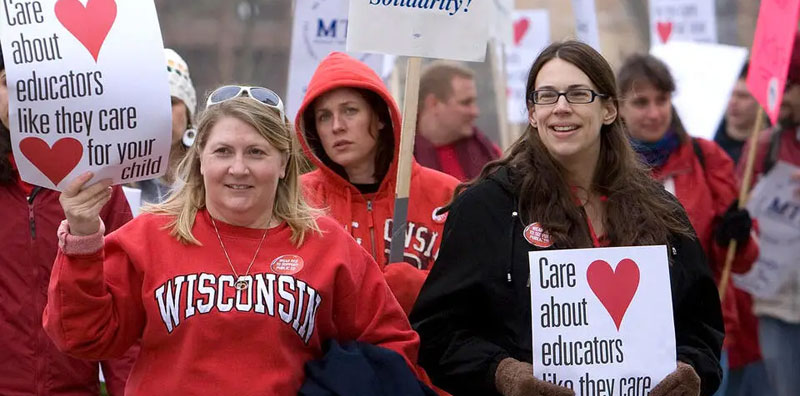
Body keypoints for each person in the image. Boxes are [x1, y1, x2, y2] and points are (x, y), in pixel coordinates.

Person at [43, 90, 432, 394]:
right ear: (200, 160)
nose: (239, 168)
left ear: (283, 164)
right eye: (223, 151)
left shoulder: (328, 246)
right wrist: (82, 236)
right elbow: (82, 336)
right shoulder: (148, 237)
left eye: (257, 152)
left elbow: (392, 347)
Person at [410, 41, 725, 396]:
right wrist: (503, 374)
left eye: (577, 94)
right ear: (532, 113)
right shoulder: (488, 207)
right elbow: (437, 333)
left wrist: (691, 370)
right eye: (546, 96)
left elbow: (701, 328)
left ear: (608, 109)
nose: (560, 107)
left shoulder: (661, 211)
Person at [617, 54, 760, 396]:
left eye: (662, 100)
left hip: (698, 330)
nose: (654, 112)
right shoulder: (603, 170)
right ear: (618, 107)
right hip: (629, 331)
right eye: (641, 102)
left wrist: (736, 236)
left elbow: (740, 260)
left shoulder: (706, 157)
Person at [0, 48, 136, 394]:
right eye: (7, 82)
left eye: (36, 84)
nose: (22, 96)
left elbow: (123, 310)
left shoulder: (97, 187)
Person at [295, 52, 459, 313]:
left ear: (381, 117)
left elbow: (475, 287)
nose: (337, 126)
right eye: (324, 116)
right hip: (331, 350)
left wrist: (415, 286)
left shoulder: (447, 193)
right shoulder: (296, 199)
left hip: (431, 349)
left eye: (350, 110)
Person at [736, 33, 800, 396]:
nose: (780, 97)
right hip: (775, 307)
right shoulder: (764, 146)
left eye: (789, 86)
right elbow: (736, 213)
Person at [414, 61, 502, 181]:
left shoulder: (489, 153)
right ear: (433, 103)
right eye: (466, 102)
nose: (475, 112)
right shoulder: (396, 159)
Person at [136, 48, 198, 204]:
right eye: (152, 103)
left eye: (171, 102)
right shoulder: (118, 177)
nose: (162, 113)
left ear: (188, 111)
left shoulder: (208, 166)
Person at [714, 63, 763, 163]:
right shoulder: (705, 143)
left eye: (742, 96)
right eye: (730, 95)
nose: (733, 102)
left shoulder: (767, 149)